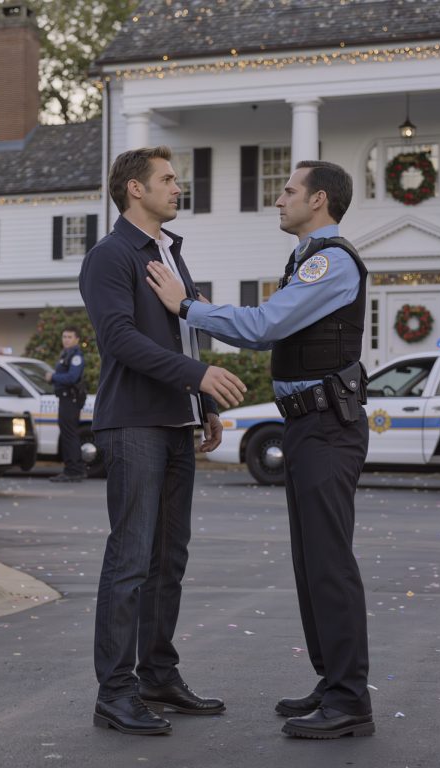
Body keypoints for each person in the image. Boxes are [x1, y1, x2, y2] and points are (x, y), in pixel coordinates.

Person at [147, 160, 375, 740]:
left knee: (328, 563)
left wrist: (187, 306)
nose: (279, 198)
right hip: (308, 426)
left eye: (289, 190)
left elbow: (264, 325)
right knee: (310, 563)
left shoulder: (330, 261)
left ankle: (350, 701)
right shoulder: (306, 260)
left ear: (318, 200)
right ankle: (332, 682)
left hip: (327, 427)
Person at [79, 146, 247, 736]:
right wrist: (197, 378)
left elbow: (183, 336)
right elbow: (120, 340)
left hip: (176, 422)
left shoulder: (171, 254)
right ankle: (114, 691)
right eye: (168, 180)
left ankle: (157, 675)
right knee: (130, 560)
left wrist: (199, 404)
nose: (179, 188)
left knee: (168, 561)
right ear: (134, 190)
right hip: (133, 425)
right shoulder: (109, 256)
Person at [45, 326, 87, 482]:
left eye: (69, 337)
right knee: (67, 434)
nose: (66, 340)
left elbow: (72, 377)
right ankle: (71, 469)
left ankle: (74, 470)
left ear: (77, 339)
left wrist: (53, 377)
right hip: (65, 398)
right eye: (64, 336)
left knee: (70, 435)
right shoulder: (66, 354)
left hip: (71, 399)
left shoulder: (76, 356)